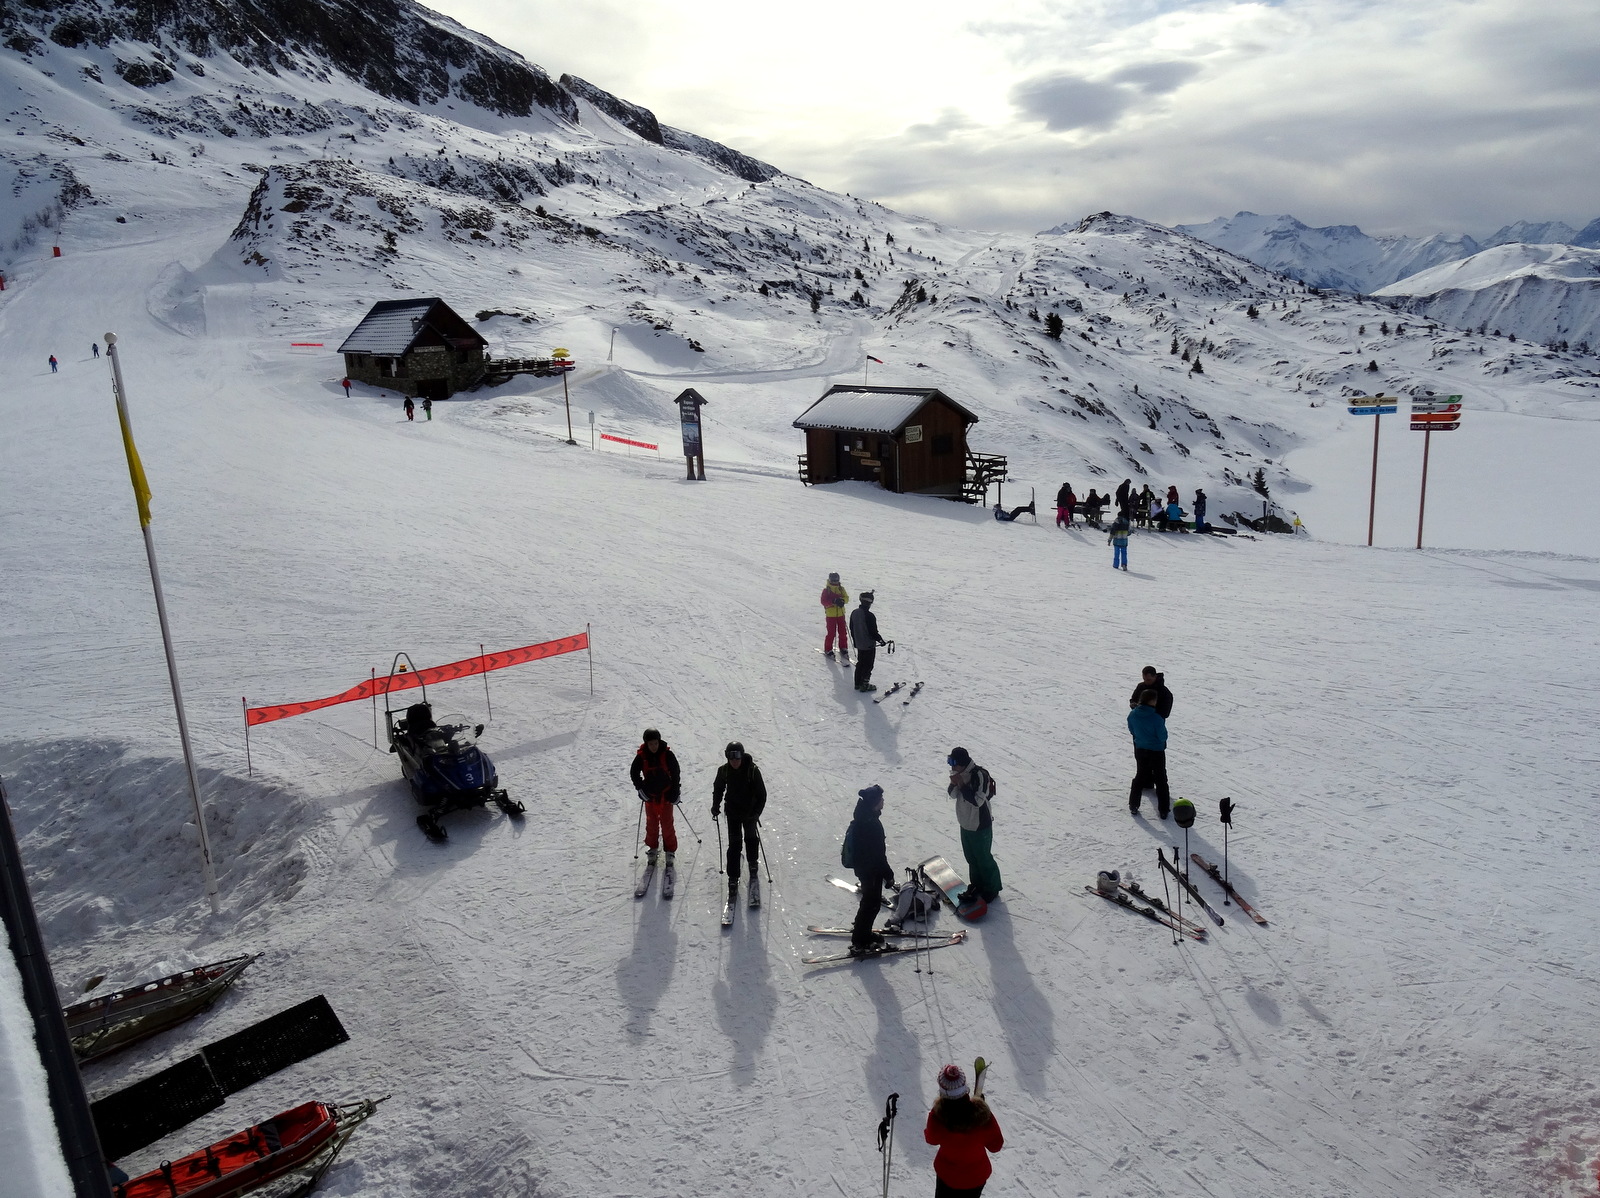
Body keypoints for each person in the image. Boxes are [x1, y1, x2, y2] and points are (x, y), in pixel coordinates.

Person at [924, 1064, 1004, 1197]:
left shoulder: (937, 1116)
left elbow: (931, 1139)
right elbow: (996, 1145)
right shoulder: (982, 1116)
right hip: (976, 1177)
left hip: (947, 1176)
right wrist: (981, 1105)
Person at [712, 742, 766, 907]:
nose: (734, 761)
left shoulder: (752, 771)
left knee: (750, 838)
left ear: (742, 756)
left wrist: (756, 813)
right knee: (735, 845)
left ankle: (752, 863)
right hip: (733, 813)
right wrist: (716, 805)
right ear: (727, 756)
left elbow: (762, 794)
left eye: (737, 757)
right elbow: (718, 788)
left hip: (749, 813)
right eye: (731, 757)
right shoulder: (724, 771)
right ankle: (733, 878)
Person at [947, 748, 1000, 906]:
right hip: (965, 823)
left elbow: (978, 801)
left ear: (962, 763)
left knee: (983, 858)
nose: (951, 766)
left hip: (980, 825)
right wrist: (953, 782)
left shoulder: (980, 775)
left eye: (953, 763)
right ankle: (977, 884)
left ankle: (992, 888)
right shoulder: (958, 773)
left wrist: (962, 785)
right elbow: (952, 795)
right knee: (971, 858)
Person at [845, 785, 894, 954]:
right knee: (870, 905)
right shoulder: (870, 824)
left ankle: (863, 933)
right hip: (870, 870)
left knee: (869, 902)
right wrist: (888, 874)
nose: (883, 801)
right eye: (881, 799)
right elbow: (878, 854)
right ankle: (860, 940)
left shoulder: (864, 817)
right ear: (875, 802)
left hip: (864, 868)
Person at [629, 728, 681, 870]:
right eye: (651, 744)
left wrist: (675, 791)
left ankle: (670, 850)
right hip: (650, 797)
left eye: (656, 743)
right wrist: (640, 788)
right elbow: (634, 772)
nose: (654, 746)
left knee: (667, 824)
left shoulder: (667, 754)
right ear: (646, 744)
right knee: (651, 824)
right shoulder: (642, 756)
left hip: (666, 796)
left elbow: (676, 772)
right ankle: (652, 848)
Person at [1128, 690, 1171, 819]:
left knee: (1140, 775)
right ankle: (1163, 809)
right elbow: (1163, 735)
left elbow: (1131, 729)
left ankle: (1133, 804)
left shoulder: (1132, 715)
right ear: (1152, 701)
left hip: (1141, 749)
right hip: (1156, 751)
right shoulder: (1156, 718)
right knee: (1160, 779)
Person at [848, 591, 887, 693]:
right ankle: (864, 684)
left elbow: (852, 628)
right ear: (870, 603)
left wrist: (855, 641)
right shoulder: (870, 616)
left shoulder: (854, 613)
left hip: (859, 643)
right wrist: (880, 640)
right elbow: (873, 632)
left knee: (860, 663)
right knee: (868, 665)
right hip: (869, 645)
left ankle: (857, 683)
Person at [820, 572, 851, 661]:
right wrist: (833, 601)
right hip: (831, 615)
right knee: (831, 633)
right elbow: (823, 601)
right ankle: (828, 649)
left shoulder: (841, 589)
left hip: (841, 614)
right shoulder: (826, 590)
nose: (835, 582)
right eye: (833, 580)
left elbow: (846, 598)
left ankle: (843, 647)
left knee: (842, 632)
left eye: (836, 580)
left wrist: (842, 600)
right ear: (830, 580)